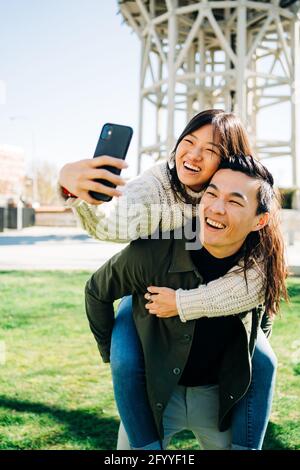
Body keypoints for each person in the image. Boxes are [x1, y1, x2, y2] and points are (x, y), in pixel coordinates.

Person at [59, 110, 277, 449]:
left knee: (262, 359)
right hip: (150, 286)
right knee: (126, 358)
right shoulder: (158, 184)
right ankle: (146, 446)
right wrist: (82, 194)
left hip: (202, 300)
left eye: (211, 150)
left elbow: (261, 283)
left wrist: (183, 304)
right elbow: (113, 225)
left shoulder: (245, 198)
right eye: (188, 142)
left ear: (229, 162)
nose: (193, 155)